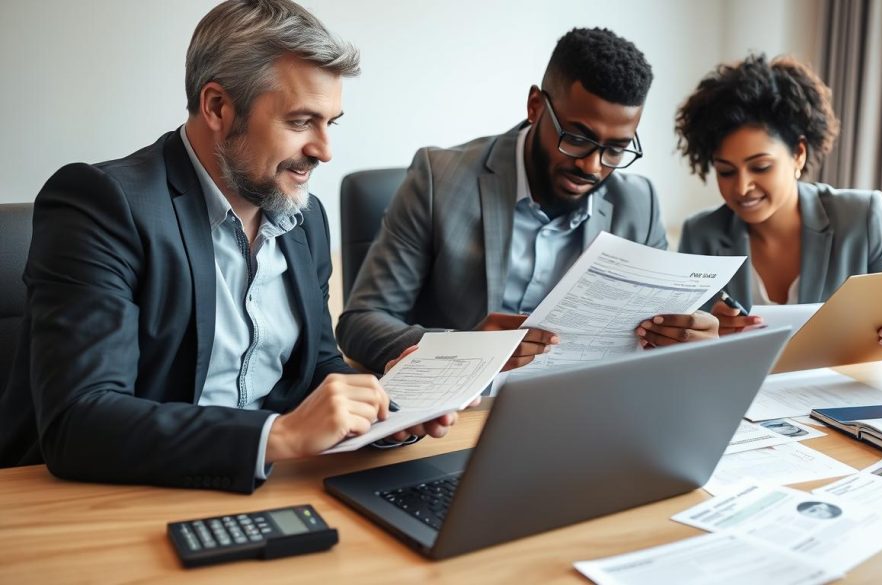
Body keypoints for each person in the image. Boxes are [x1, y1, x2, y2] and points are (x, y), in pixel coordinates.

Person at [0, 0, 457, 492]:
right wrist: (276, 435)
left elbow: (316, 367)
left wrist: (382, 405)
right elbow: (80, 422)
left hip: (265, 485)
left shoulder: (305, 218)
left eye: (331, 123)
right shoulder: (102, 205)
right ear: (217, 106)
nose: (324, 150)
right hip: (112, 498)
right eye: (302, 121)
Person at [337, 28, 718, 375]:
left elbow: (655, 331)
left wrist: (685, 336)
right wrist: (463, 349)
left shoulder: (639, 202)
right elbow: (360, 322)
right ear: (535, 106)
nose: (591, 166)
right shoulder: (439, 179)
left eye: (615, 149)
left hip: (586, 409)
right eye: (578, 138)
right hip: (463, 413)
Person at [664, 54, 882, 376]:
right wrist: (709, 343)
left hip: (840, 407)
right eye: (725, 172)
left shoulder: (863, 218)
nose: (742, 187)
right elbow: (684, 353)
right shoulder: (701, 234)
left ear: (798, 154)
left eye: (761, 167)